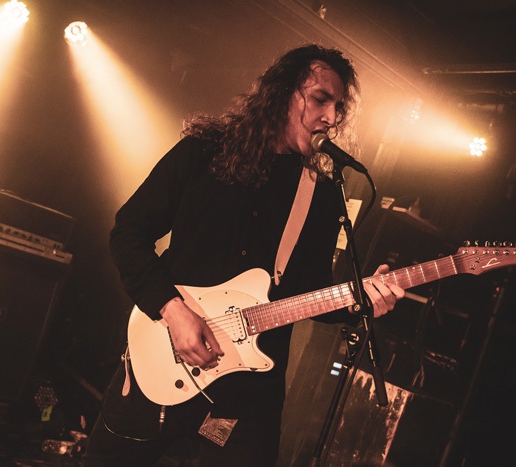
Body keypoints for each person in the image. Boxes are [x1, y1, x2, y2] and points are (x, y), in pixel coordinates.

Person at [81, 44, 404, 467]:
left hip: (247, 396)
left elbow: (308, 289)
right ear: (282, 92)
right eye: (320, 99)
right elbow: (129, 233)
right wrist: (173, 311)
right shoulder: (204, 152)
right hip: (159, 359)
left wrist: (361, 300)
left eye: (338, 107)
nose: (330, 116)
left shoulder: (322, 193)